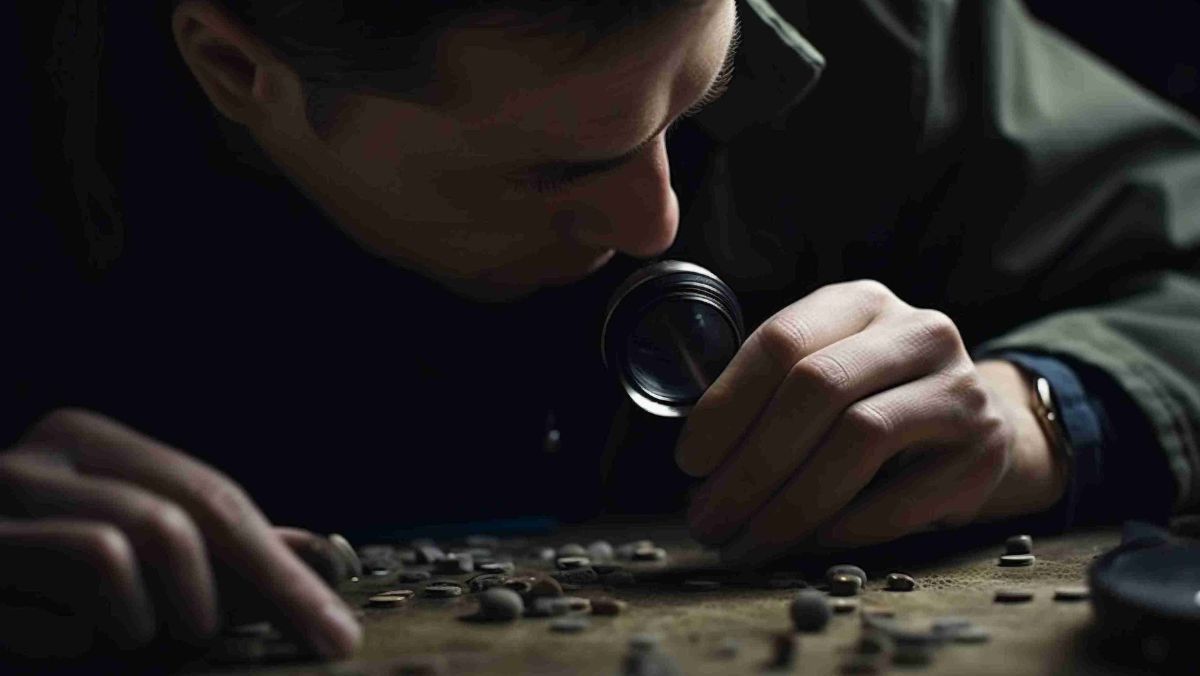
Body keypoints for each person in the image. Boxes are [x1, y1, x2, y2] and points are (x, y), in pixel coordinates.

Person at [6, 0, 1199, 663]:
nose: (657, 223)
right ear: (233, 67)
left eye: (703, 95)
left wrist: (1046, 408)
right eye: (558, 170)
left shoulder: (876, 24)